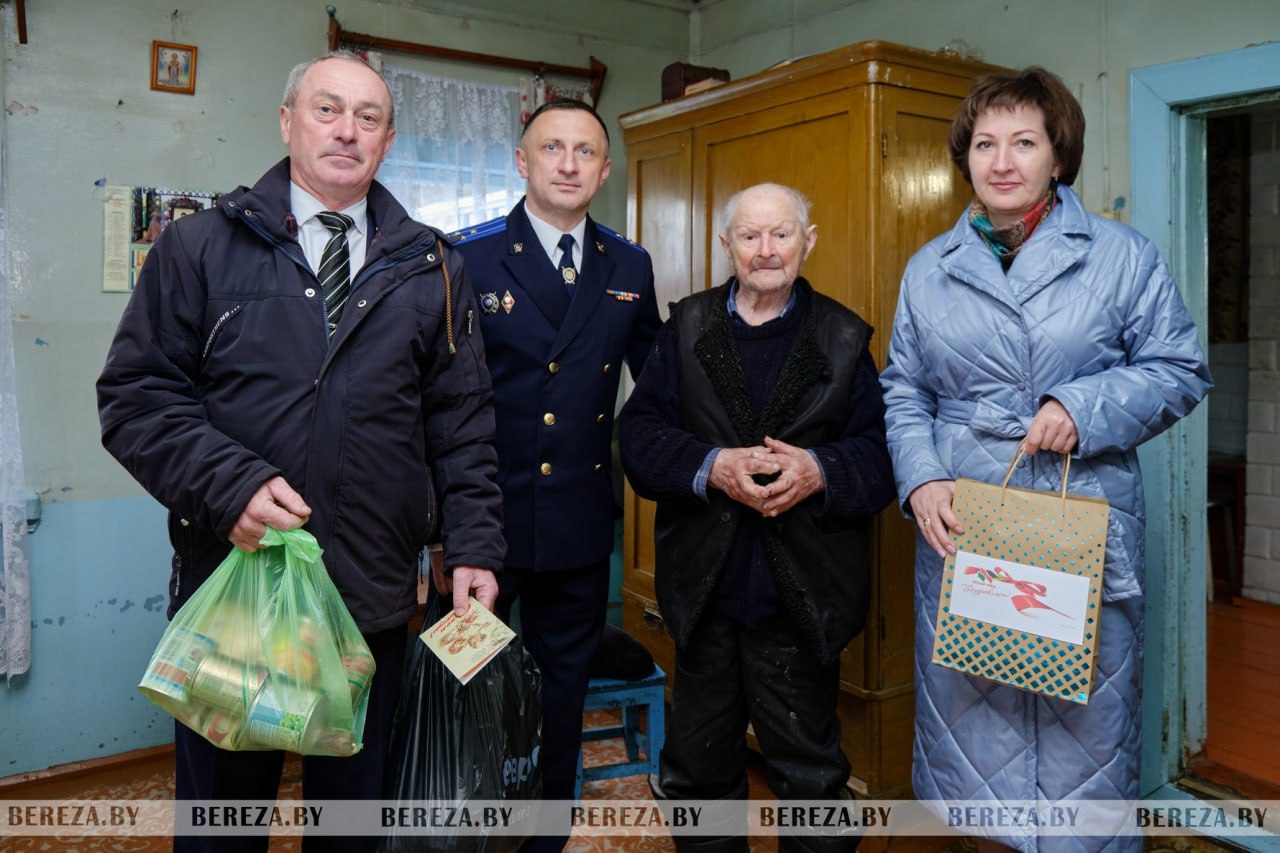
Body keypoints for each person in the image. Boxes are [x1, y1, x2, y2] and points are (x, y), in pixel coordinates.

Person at [97, 51, 505, 852]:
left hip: (372, 594)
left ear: (388, 141)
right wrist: (230, 485)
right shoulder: (199, 248)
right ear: (287, 121)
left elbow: (464, 423)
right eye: (327, 109)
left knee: (353, 823)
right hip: (235, 584)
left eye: (369, 117)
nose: (346, 132)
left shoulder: (435, 266)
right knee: (223, 821)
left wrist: (476, 544)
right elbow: (136, 398)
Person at [879, 67, 1212, 852]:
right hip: (968, 518)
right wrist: (921, 478)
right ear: (965, 158)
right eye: (985, 143)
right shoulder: (929, 267)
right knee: (976, 744)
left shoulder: (1122, 256)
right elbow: (902, 389)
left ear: (1057, 156)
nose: (1002, 160)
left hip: (1082, 518)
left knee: (1084, 742)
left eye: (1023, 142)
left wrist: (1082, 407)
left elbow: (1179, 367)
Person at [618, 183, 896, 853]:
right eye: (750, 236)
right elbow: (640, 434)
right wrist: (711, 464)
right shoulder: (686, 328)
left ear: (809, 240)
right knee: (697, 774)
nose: (766, 250)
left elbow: (881, 454)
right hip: (706, 594)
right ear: (727, 246)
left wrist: (818, 471)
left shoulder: (842, 334)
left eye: (781, 234)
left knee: (810, 779)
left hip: (800, 598)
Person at [449, 97, 661, 843]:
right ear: (522, 161)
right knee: (464, 690)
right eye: (552, 149)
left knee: (561, 700)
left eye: (584, 152)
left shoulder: (629, 264)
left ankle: (545, 837)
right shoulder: (465, 257)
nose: (568, 164)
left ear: (605, 169)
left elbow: (661, 380)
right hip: (480, 526)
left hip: (575, 525)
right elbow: (427, 397)